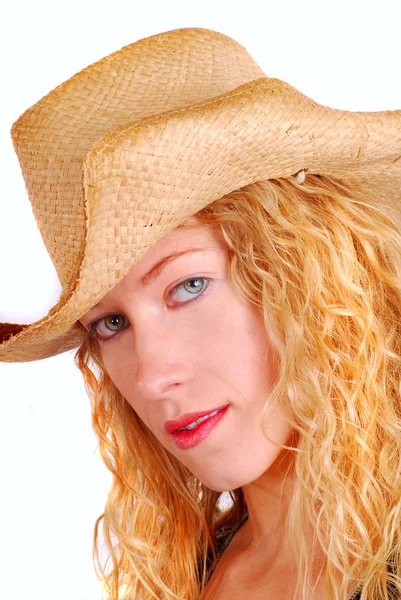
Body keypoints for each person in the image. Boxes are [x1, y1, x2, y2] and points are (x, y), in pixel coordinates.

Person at [1, 27, 400, 600]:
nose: (151, 376)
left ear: (309, 270)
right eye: (110, 324)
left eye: (187, 286)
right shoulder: (189, 577)